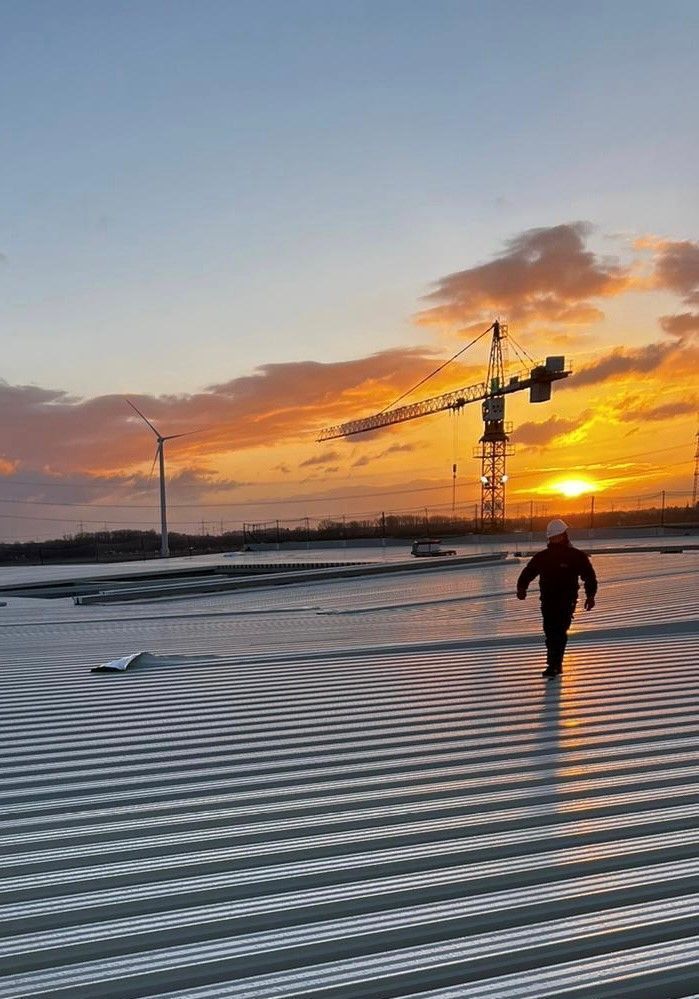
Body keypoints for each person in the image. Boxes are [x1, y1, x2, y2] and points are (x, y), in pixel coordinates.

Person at [516, 519, 597, 679]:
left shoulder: (575, 556)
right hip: (548, 601)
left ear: (563, 536)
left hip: (567, 601)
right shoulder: (543, 557)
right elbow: (528, 572)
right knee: (550, 632)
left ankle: (554, 664)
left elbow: (589, 576)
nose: (554, 539)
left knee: (559, 632)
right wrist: (521, 588)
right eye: (552, 537)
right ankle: (554, 663)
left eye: (556, 536)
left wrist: (590, 595)